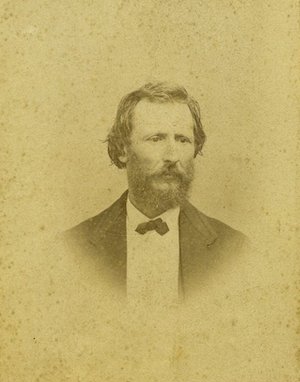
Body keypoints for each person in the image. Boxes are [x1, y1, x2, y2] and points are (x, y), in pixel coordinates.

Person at [65, 82, 248, 302]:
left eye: (182, 140)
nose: (172, 156)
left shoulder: (235, 251)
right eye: (156, 139)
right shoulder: (73, 248)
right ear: (123, 149)